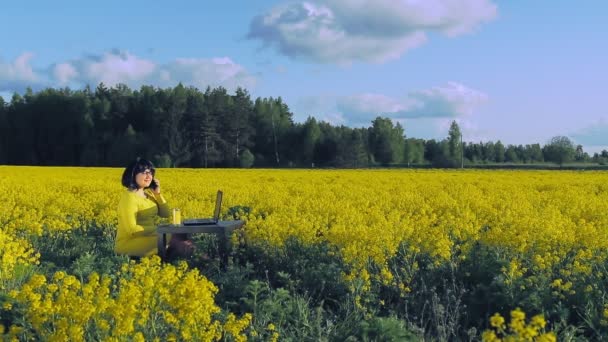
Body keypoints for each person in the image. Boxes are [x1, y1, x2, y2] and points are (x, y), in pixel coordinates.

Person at [116, 158, 193, 259]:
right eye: (144, 172)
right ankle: (197, 262)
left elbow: (165, 213)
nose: (149, 176)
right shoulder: (129, 198)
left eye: (151, 172)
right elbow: (132, 230)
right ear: (133, 174)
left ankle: (187, 263)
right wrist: (160, 230)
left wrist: (157, 194)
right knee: (172, 238)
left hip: (147, 237)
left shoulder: (147, 195)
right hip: (129, 243)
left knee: (180, 235)